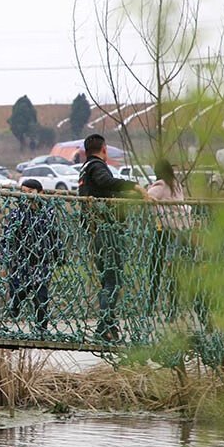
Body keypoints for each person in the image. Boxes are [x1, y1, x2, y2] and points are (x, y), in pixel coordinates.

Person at [77, 133, 147, 342]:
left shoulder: (85, 168)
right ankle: (103, 328)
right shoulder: (97, 167)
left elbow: (103, 191)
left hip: (96, 230)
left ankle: (109, 327)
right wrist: (134, 186)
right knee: (113, 280)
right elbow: (106, 182)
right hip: (107, 231)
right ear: (104, 150)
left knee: (108, 280)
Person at [2, 179, 63, 332]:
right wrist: (7, 255)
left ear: (40, 193)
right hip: (21, 260)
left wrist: (59, 254)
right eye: (23, 192)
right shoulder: (18, 213)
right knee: (19, 290)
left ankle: (41, 328)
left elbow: (54, 235)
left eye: (30, 192)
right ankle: (14, 306)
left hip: (41, 260)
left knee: (41, 296)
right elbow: (7, 237)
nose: (26, 196)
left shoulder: (48, 213)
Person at [145, 158, 194, 317]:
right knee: (174, 271)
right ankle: (173, 307)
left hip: (165, 232)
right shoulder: (176, 184)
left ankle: (151, 305)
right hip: (181, 230)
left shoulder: (160, 185)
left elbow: (146, 196)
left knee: (155, 268)